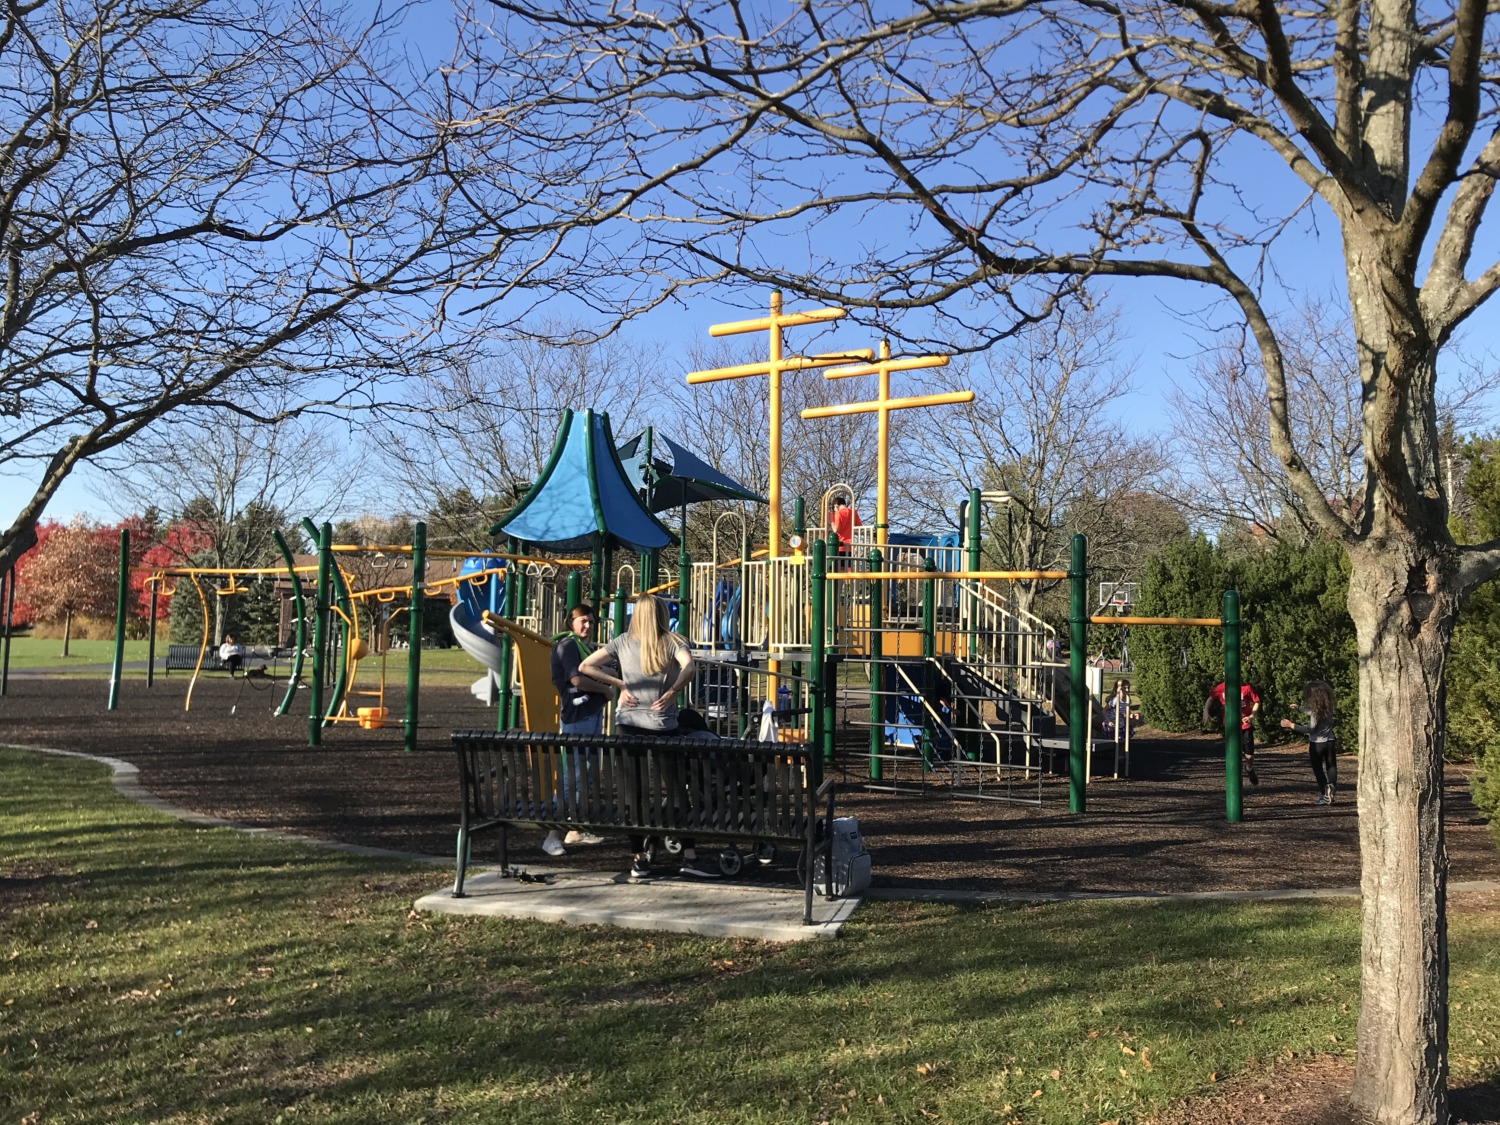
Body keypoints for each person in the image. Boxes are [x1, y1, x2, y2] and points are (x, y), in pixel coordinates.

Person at [579, 592, 718, 880]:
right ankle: (689, 855)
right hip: (662, 727)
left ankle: (639, 858)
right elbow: (689, 667)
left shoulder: (621, 641)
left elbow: (586, 666)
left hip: (628, 725)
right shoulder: (673, 641)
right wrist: (673, 691)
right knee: (678, 790)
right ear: (661, 615)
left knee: (635, 793)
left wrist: (621, 684)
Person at [542, 604, 612, 856]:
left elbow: (602, 670)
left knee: (587, 775)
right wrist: (605, 689)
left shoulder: (585, 648)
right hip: (577, 718)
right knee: (571, 778)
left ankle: (575, 829)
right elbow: (576, 679)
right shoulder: (568, 646)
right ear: (570, 622)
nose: (588, 626)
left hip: (590, 716)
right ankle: (552, 835)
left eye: (591, 622)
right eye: (583, 621)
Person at [1281, 680, 1338, 805]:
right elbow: (1312, 711)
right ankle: (1331, 786)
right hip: (1330, 741)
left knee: (1318, 768)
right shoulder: (1329, 707)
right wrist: (1299, 708)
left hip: (1317, 743)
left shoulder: (1316, 713)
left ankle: (1324, 794)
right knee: (1331, 766)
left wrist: (1291, 725)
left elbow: (1310, 729)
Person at [1203, 678, 1261, 785]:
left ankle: (1249, 768)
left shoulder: (1246, 688)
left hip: (1245, 725)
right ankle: (1235, 777)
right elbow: (1210, 698)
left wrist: (1252, 715)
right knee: (1234, 751)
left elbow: (1256, 701)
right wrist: (1206, 711)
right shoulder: (1221, 687)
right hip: (1231, 726)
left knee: (1249, 754)